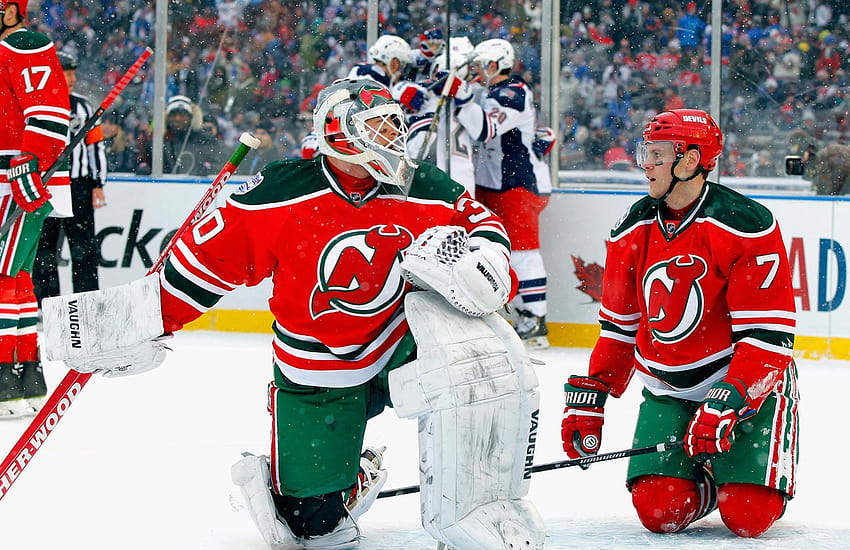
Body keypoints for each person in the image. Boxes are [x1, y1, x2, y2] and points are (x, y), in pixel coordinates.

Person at [41, 78, 545, 549]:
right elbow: (201, 265)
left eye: (394, 124)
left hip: (404, 341)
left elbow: (484, 225)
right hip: (317, 363)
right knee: (311, 526)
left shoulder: (424, 185)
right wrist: (136, 320)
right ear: (338, 133)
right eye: (378, 127)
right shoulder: (283, 192)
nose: (393, 137)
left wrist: (488, 261)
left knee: (478, 362)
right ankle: (339, 481)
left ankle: (484, 502)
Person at [561, 109, 799, 538]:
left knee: (748, 517)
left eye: (656, 154)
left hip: (739, 381)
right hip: (667, 385)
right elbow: (619, 327)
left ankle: (738, 481)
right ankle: (706, 477)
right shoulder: (630, 227)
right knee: (659, 511)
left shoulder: (745, 224)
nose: (644, 164)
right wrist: (592, 393)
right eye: (645, 152)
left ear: (690, 160)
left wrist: (731, 398)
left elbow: (768, 334)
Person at [0, 0, 71, 418]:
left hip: (17, 180)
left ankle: (8, 378)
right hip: (16, 178)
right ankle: (18, 380)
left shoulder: (24, 44)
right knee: (16, 280)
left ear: (12, 10)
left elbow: (49, 111)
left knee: (6, 278)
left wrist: (29, 163)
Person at [470, 38, 553, 348]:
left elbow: (485, 129)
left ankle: (535, 319)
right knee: (495, 250)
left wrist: (461, 95)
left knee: (523, 252)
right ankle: (518, 314)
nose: (476, 71)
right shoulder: (492, 91)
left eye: (480, 65)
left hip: (519, 184)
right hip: (495, 184)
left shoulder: (512, 92)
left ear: (494, 65)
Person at [33, 50, 106, 304]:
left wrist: (97, 183)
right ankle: (46, 302)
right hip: (47, 185)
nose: (73, 79)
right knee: (44, 248)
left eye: (74, 73)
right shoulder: (38, 106)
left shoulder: (83, 106)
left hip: (79, 186)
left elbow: (95, 146)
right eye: (68, 73)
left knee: (84, 248)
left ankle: (87, 301)